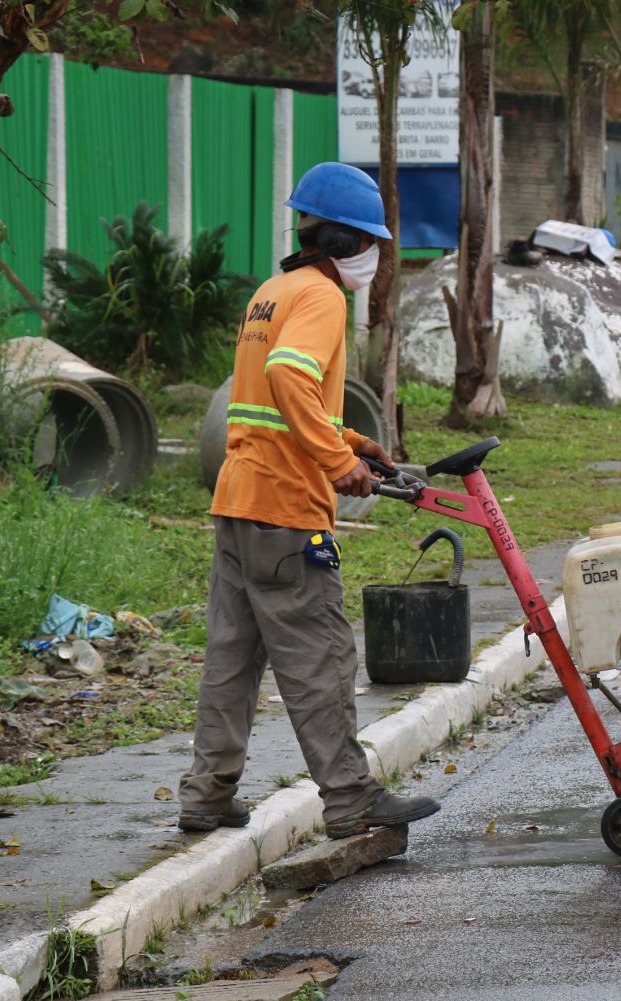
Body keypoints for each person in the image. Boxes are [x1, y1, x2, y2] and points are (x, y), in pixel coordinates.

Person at [179, 163, 440, 839]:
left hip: (239, 502)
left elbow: (270, 406)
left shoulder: (273, 292)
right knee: (320, 656)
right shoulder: (323, 297)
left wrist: (352, 441)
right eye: (370, 241)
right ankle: (351, 800)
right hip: (286, 510)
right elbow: (288, 377)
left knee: (232, 660)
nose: (373, 255)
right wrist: (337, 462)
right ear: (345, 241)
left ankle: (206, 795)